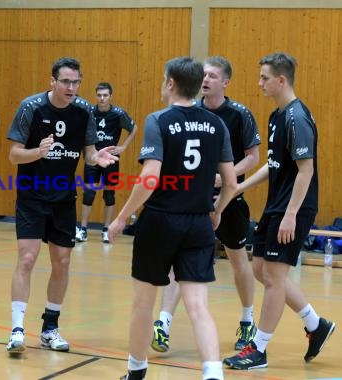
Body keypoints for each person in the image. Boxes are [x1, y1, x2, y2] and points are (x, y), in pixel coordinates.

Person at [107, 56, 237, 380]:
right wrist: (216, 211)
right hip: (198, 224)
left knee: (143, 304)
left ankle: (136, 372)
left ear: (170, 83)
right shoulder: (216, 124)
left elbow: (150, 177)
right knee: (198, 306)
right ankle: (212, 373)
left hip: (161, 221)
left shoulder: (158, 120)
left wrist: (122, 217)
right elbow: (231, 182)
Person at [224, 53, 335, 370]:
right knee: (260, 269)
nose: (259, 83)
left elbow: (306, 171)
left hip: (293, 209)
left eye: (264, 78)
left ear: (281, 80)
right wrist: (239, 187)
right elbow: (274, 167)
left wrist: (290, 215)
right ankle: (316, 324)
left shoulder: (296, 118)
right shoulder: (277, 116)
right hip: (277, 205)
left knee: (273, 277)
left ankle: (258, 349)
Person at [5, 57, 118, 354]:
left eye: (76, 82)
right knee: (27, 259)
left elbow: (90, 153)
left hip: (63, 197)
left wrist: (98, 158)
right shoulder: (31, 108)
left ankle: (49, 328)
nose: (71, 87)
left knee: (63, 262)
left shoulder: (84, 111)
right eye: (65, 81)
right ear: (52, 81)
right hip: (31, 195)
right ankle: (17, 329)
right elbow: (14, 156)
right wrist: (37, 152)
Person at [151, 56, 261, 354]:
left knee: (238, 260)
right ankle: (163, 323)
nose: (206, 79)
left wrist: (228, 176)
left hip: (230, 197)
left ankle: (247, 319)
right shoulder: (191, 110)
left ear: (225, 81)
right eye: (203, 75)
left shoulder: (239, 114)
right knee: (178, 261)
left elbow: (254, 156)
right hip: (194, 200)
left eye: (212, 75)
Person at [75, 82, 137, 243]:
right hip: (93, 157)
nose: (102, 98)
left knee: (109, 194)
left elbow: (134, 128)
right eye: (99, 95)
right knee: (88, 193)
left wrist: (123, 147)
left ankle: (106, 229)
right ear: (96, 96)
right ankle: (82, 229)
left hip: (110, 159)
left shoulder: (118, 114)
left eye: (105, 95)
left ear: (110, 96)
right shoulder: (90, 112)